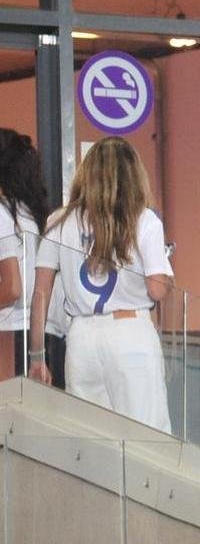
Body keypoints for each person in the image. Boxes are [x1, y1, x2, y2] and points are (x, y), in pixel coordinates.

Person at [28, 136, 173, 433]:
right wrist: (169, 276)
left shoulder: (59, 220)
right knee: (145, 437)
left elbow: (41, 293)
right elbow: (156, 289)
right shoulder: (144, 220)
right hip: (131, 333)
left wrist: (37, 356)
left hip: (81, 337)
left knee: (89, 437)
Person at [0, 128, 54, 380]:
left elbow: (11, 288)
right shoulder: (30, 214)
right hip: (32, 332)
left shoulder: (3, 213)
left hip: (7, 331)